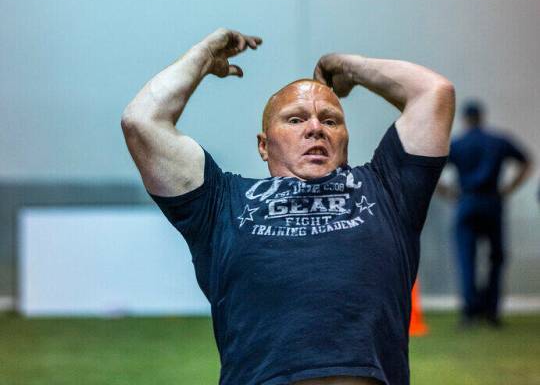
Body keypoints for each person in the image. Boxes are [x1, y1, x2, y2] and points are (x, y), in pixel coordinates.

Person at [121, 28, 455, 385]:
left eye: (330, 120)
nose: (315, 128)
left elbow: (435, 93)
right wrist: (203, 57)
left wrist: (350, 67)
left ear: (345, 137)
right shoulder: (222, 203)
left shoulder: (387, 190)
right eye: (295, 119)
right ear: (264, 145)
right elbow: (141, 121)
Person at [437, 100, 532, 326]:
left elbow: (431, 171)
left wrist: (448, 193)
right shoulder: (498, 141)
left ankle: (470, 312)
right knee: (495, 258)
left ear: (465, 119)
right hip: (492, 202)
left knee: (466, 258)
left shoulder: (458, 144)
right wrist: (508, 188)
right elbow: (526, 162)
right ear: (482, 117)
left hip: (466, 202)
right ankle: (491, 311)